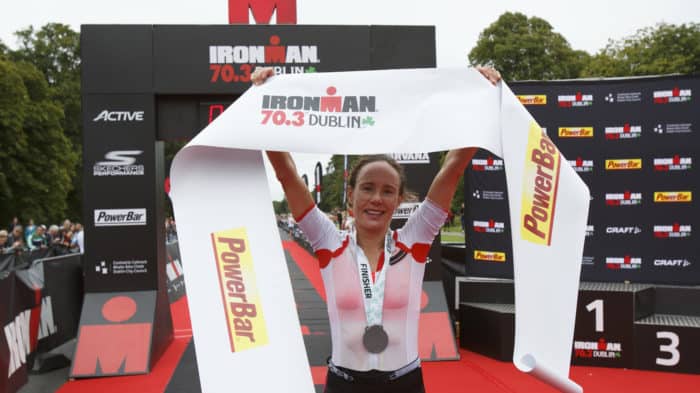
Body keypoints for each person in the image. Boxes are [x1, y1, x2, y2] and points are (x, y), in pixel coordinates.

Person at [252, 66, 500, 393]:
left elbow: (452, 169)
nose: (376, 199)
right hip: (344, 383)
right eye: (367, 188)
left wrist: (479, 96)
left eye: (387, 191)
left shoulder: (414, 240)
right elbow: (286, 173)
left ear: (398, 200)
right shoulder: (329, 242)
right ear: (351, 194)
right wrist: (263, 97)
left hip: (405, 383)